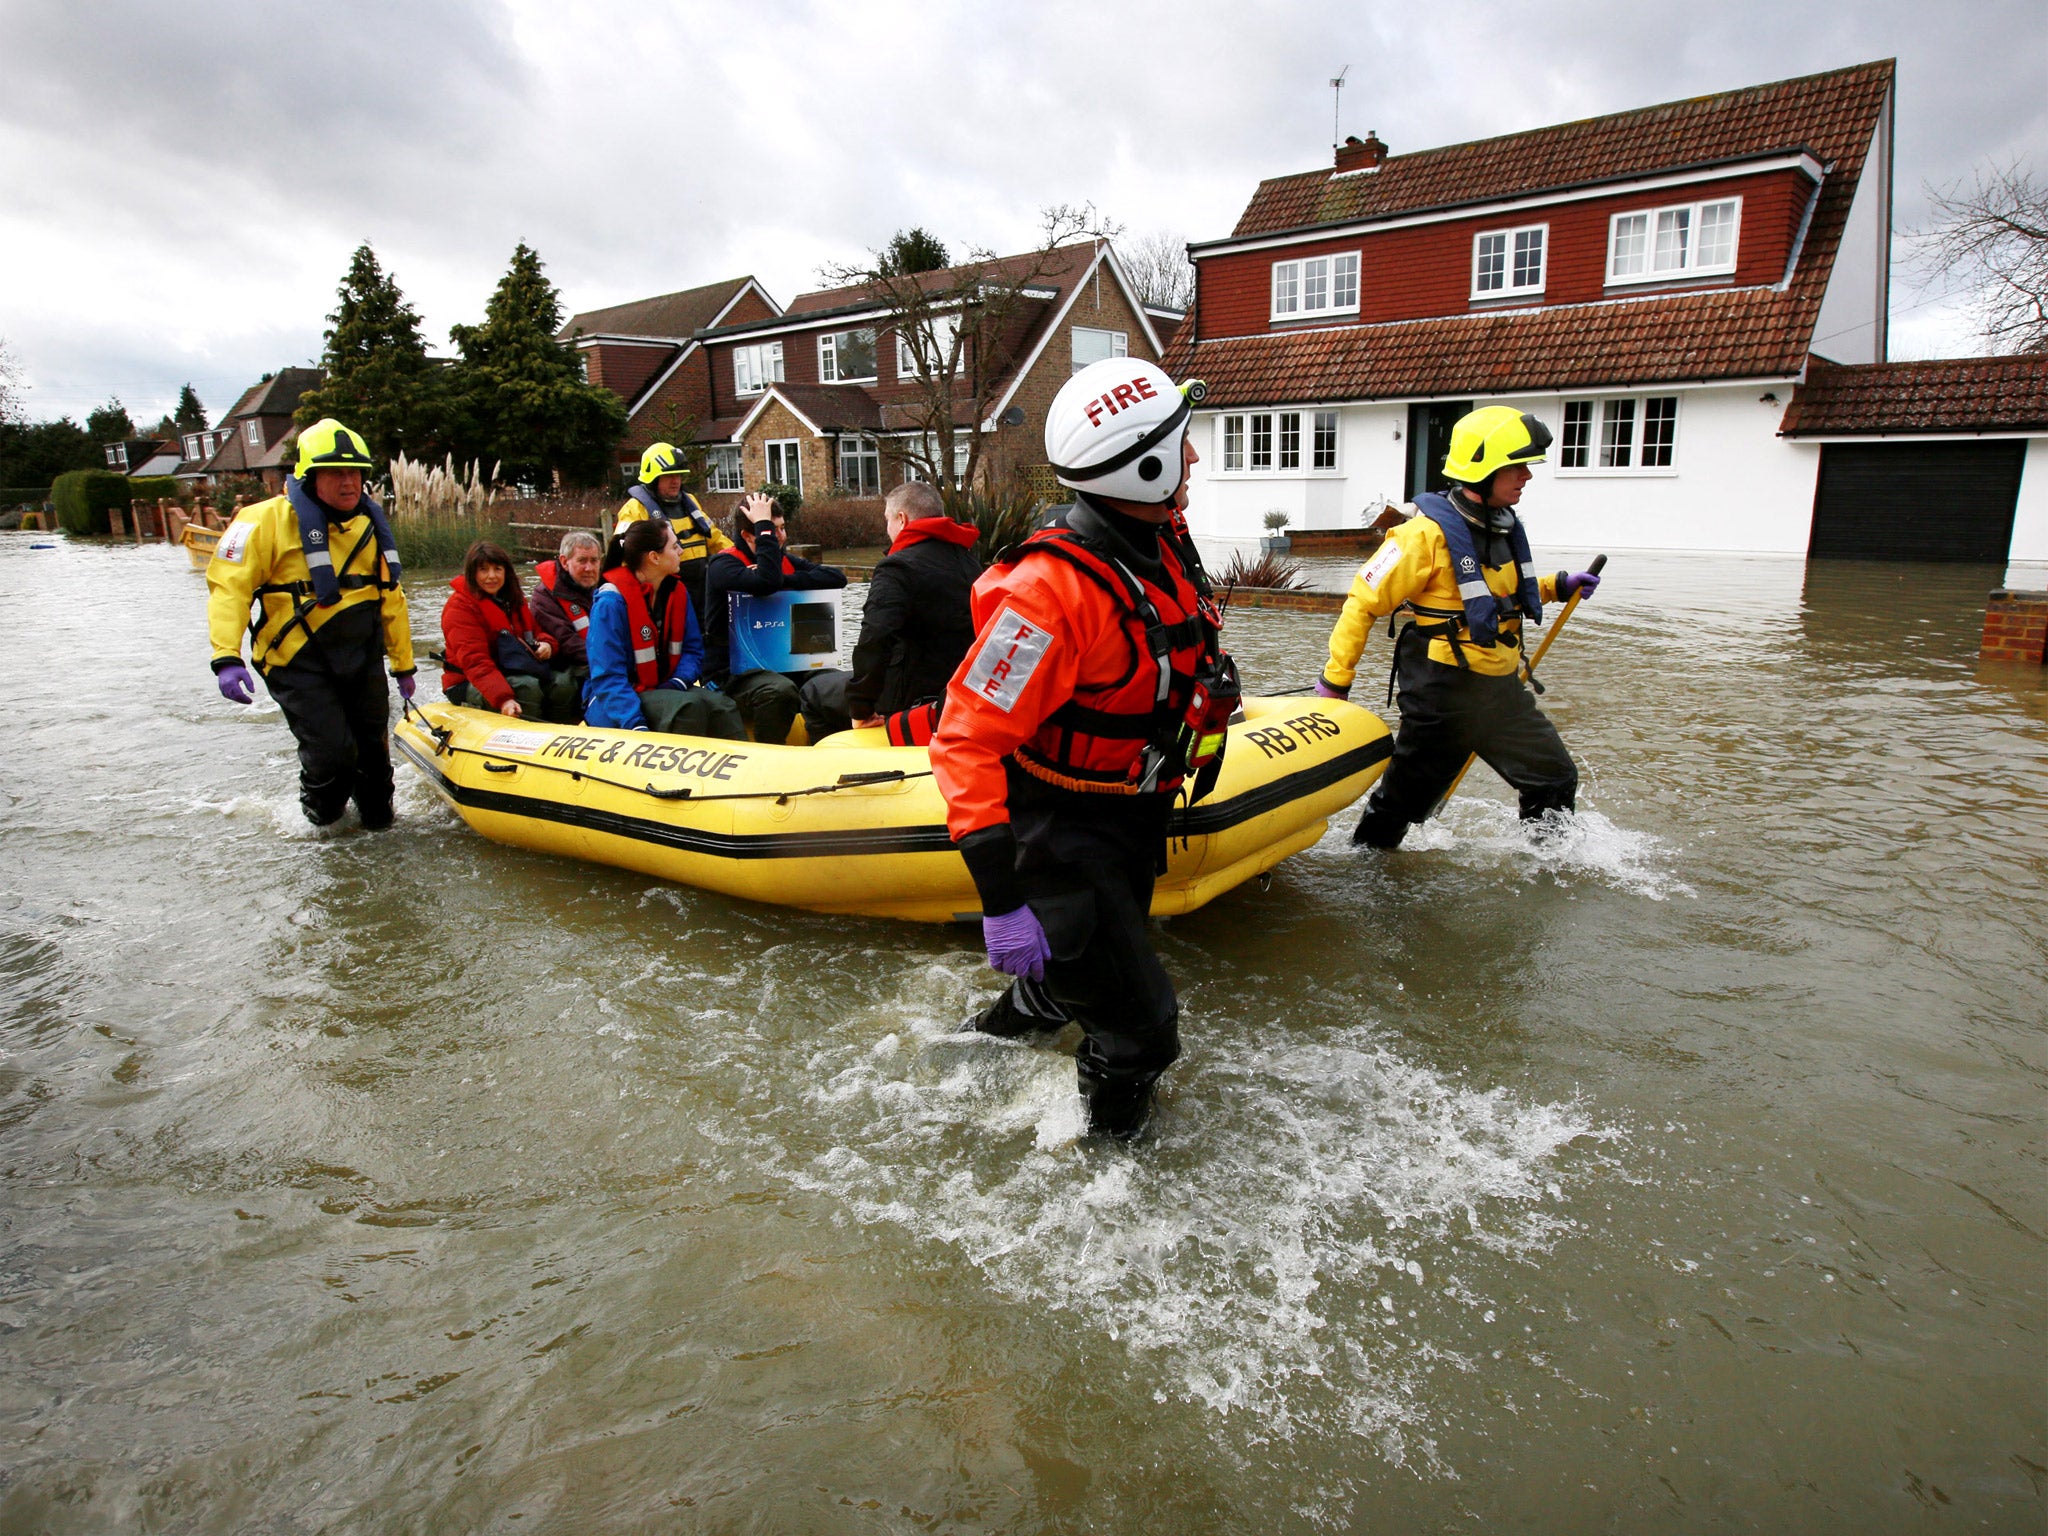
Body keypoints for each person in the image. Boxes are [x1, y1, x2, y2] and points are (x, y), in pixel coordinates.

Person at [928, 358, 1234, 1141]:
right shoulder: (1047, 596)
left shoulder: (1157, 535)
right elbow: (964, 743)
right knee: (1143, 1033)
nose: (1193, 457)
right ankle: (1112, 1181)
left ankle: (957, 1065)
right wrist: (1002, 901)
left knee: (1071, 984)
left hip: (1127, 813)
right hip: (1059, 835)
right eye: (1181, 444)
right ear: (1146, 464)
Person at [1313, 405, 1601, 848]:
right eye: (1517, 466)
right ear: (1484, 469)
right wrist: (1336, 680)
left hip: (1498, 688)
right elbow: (1362, 604)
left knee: (1555, 779)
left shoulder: (1501, 527)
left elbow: (1495, 597)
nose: (1526, 476)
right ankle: (1367, 874)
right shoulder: (1420, 536)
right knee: (1401, 806)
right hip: (1440, 696)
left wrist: (1558, 586)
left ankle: (1547, 868)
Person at [205, 418, 416, 828]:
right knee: (333, 754)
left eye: (355, 472)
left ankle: (378, 827)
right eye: (336, 472)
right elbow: (228, 590)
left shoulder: (370, 527)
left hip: (360, 656)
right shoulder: (260, 521)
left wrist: (403, 664)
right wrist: (226, 657)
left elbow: (392, 598)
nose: (348, 482)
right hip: (297, 660)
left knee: (374, 759)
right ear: (309, 475)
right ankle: (320, 821)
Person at [838, 480, 980, 744]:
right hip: (958, 693)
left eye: (888, 520)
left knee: (814, 692)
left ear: (902, 519)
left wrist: (861, 706)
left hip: (908, 695)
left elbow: (875, 638)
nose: (887, 529)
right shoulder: (969, 559)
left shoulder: (897, 567)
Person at [704, 492, 851, 744]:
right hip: (733, 674)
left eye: (782, 529)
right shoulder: (722, 566)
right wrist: (764, 530)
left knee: (835, 681)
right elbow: (766, 582)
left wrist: (787, 580)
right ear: (749, 536)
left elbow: (837, 578)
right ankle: (769, 753)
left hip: (785, 663)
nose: (781, 537)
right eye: (773, 531)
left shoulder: (784, 563)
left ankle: (829, 747)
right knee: (779, 691)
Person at [584, 516, 747, 738]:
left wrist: (677, 682)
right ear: (654, 557)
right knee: (687, 707)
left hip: (664, 688)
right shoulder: (610, 603)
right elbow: (608, 677)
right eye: (674, 546)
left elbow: (692, 650)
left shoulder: (676, 592)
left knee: (723, 707)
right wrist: (635, 723)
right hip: (616, 701)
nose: (681, 551)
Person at [439, 540, 582, 723]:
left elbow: (537, 632)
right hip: (467, 680)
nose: (491, 576)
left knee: (563, 683)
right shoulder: (459, 608)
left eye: (497, 569)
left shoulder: (513, 600)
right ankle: (525, 737)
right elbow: (475, 662)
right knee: (526, 687)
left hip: (513, 670)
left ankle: (563, 731)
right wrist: (503, 698)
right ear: (472, 573)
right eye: (484, 570)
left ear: (506, 571)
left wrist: (547, 645)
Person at [612, 441, 733, 620]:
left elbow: (714, 538)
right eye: (669, 476)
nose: (676, 481)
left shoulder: (689, 502)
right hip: (663, 596)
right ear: (653, 479)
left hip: (702, 592)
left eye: (678, 475)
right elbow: (621, 557)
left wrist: (739, 561)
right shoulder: (635, 509)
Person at [531, 529, 602, 681]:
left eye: (594, 561)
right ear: (564, 562)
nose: (589, 568)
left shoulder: (605, 589)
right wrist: (611, 659)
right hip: (570, 668)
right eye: (582, 561)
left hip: (601, 660)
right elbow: (567, 642)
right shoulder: (543, 597)